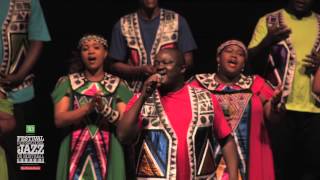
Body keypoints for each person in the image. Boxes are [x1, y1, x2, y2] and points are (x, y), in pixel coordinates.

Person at [117, 48, 239, 180]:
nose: (160, 67)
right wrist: (143, 97)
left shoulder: (205, 98)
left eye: (167, 62)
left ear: (182, 68)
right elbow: (123, 136)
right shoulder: (141, 100)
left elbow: (227, 140)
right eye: (157, 63)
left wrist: (233, 176)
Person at [189, 40, 282, 180]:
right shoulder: (198, 84)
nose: (234, 55)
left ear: (244, 62)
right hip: (206, 157)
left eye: (240, 54)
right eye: (229, 51)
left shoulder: (256, 84)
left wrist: (275, 104)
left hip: (248, 161)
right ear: (218, 58)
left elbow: (272, 117)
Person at [248, 0, 320, 179]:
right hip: (279, 108)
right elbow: (250, 61)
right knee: (280, 170)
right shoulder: (269, 20)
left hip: (315, 108)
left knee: (312, 170)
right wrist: (268, 41)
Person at [51, 34, 132, 180]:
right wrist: (86, 108)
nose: (91, 52)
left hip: (109, 152)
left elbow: (125, 124)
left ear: (105, 53)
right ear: (81, 55)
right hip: (73, 153)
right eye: (85, 49)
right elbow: (59, 119)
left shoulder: (118, 85)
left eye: (96, 48)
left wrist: (105, 109)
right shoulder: (68, 83)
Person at [0, 0, 50, 178]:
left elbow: (38, 39)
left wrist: (20, 75)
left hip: (23, 95)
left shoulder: (30, 1)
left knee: (30, 161)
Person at [109, 0, 197, 93]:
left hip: (170, 92)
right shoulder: (123, 24)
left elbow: (188, 60)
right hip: (135, 92)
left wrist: (166, 69)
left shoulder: (177, 21)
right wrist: (139, 70)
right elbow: (114, 65)